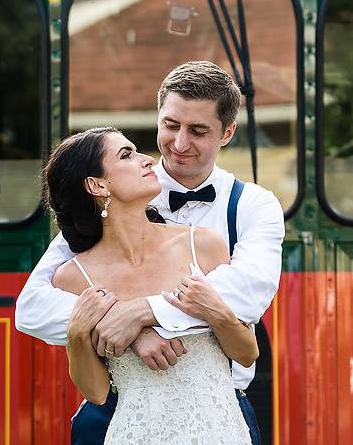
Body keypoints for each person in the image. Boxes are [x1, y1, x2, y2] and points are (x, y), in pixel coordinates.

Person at [16, 61, 284, 444]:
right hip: (119, 412)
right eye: (170, 126)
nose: (178, 143)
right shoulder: (117, 192)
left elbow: (246, 293)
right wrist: (129, 330)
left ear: (227, 133)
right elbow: (33, 306)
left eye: (198, 131)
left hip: (217, 408)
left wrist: (142, 312)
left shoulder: (252, 205)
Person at [45, 126, 256, 443]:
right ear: (96, 184)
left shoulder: (202, 245)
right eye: (127, 155)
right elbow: (98, 393)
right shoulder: (73, 278)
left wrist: (214, 312)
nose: (147, 160)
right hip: (136, 434)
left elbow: (247, 353)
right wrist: (76, 334)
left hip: (218, 431)